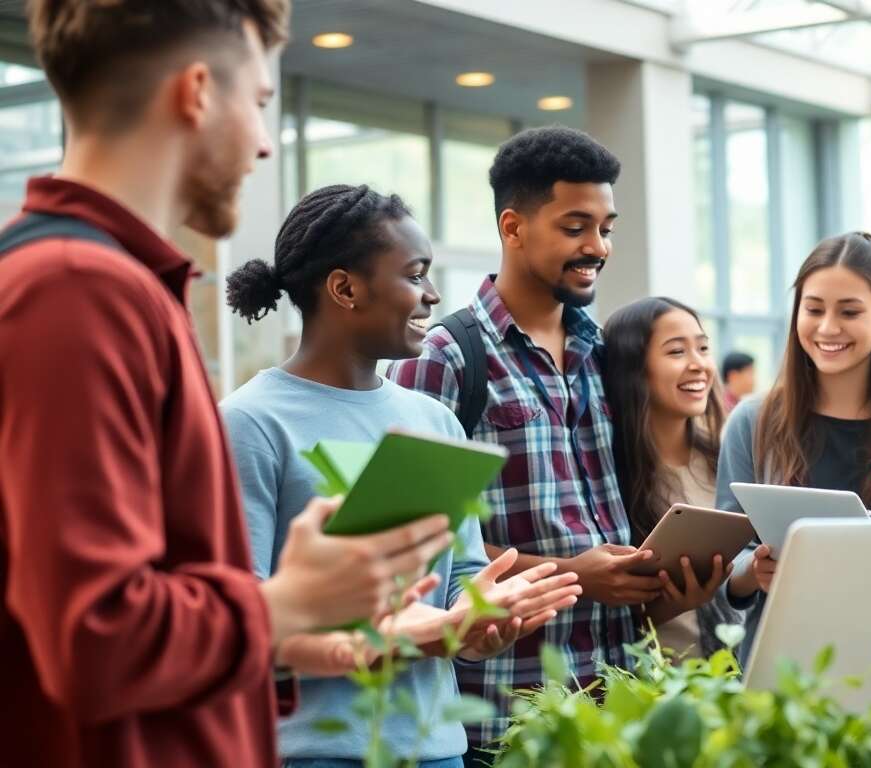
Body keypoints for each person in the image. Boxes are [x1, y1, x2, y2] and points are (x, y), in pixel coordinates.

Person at [0, 4, 453, 767]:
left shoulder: (111, 287)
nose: (266, 143)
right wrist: (290, 602)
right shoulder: (76, 290)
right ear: (198, 93)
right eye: (262, 104)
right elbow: (93, 636)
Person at [221, 185, 583, 767]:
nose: (433, 295)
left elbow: (457, 576)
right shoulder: (249, 425)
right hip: (315, 754)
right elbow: (239, 631)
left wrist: (482, 616)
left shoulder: (432, 417)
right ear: (344, 289)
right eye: (415, 275)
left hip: (437, 749)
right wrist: (430, 632)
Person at [388, 126, 659, 762]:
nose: (598, 247)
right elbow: (415, 548)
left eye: (606, 227)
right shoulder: (445, 357)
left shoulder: (602, 353)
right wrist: (573, 576)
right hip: (506, 719)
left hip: (618, 707)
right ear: (513, 228)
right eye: (575, 227)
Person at [716, 232, 871, 661]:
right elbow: (723, 561)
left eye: (849, 311)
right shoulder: (752, 423)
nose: (828, 328)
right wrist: (753, 572)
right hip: (784, 670)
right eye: (813, 309)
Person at [604, 297, 744, 660]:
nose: (698, 365)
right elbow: (610, 616)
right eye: (677, 352)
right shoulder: (607, 478)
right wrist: (676, 601)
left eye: (703, 347)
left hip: (742, 682)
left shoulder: (725, 459)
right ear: (633, 369)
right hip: (653, 691)